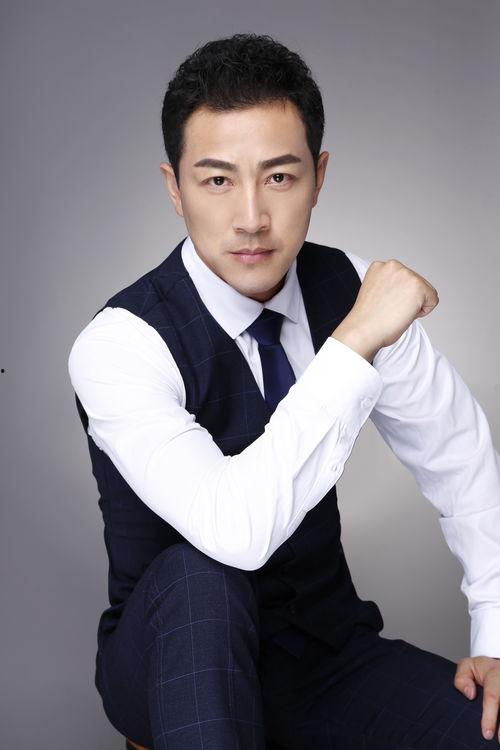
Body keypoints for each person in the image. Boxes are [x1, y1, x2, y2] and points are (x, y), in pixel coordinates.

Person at [67, 32, 500, 750]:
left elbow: (460, 455)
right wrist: (353, 345)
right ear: (174, 188)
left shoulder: (352, 288)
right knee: (199, 576)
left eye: (278, 177)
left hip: (326, 657)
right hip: (172, 662)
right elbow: (233, 530)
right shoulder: (119, 344)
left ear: (318, 176)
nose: (251, 218)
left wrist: (495, 631)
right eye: (216, 181)